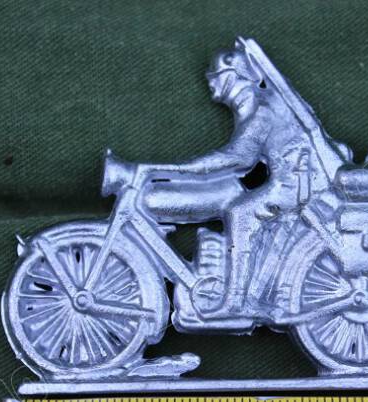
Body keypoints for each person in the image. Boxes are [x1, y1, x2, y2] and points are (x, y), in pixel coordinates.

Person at [137, 42, 338, 316]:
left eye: (215, 76)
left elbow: (239, 158)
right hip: (296, 181)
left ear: (233, 76)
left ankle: (236, 302)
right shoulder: (259, 105)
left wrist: (179, 168)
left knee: (239, 213)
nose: (211, 83)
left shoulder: (263, 110)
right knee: (234, 200)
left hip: (298, 185)